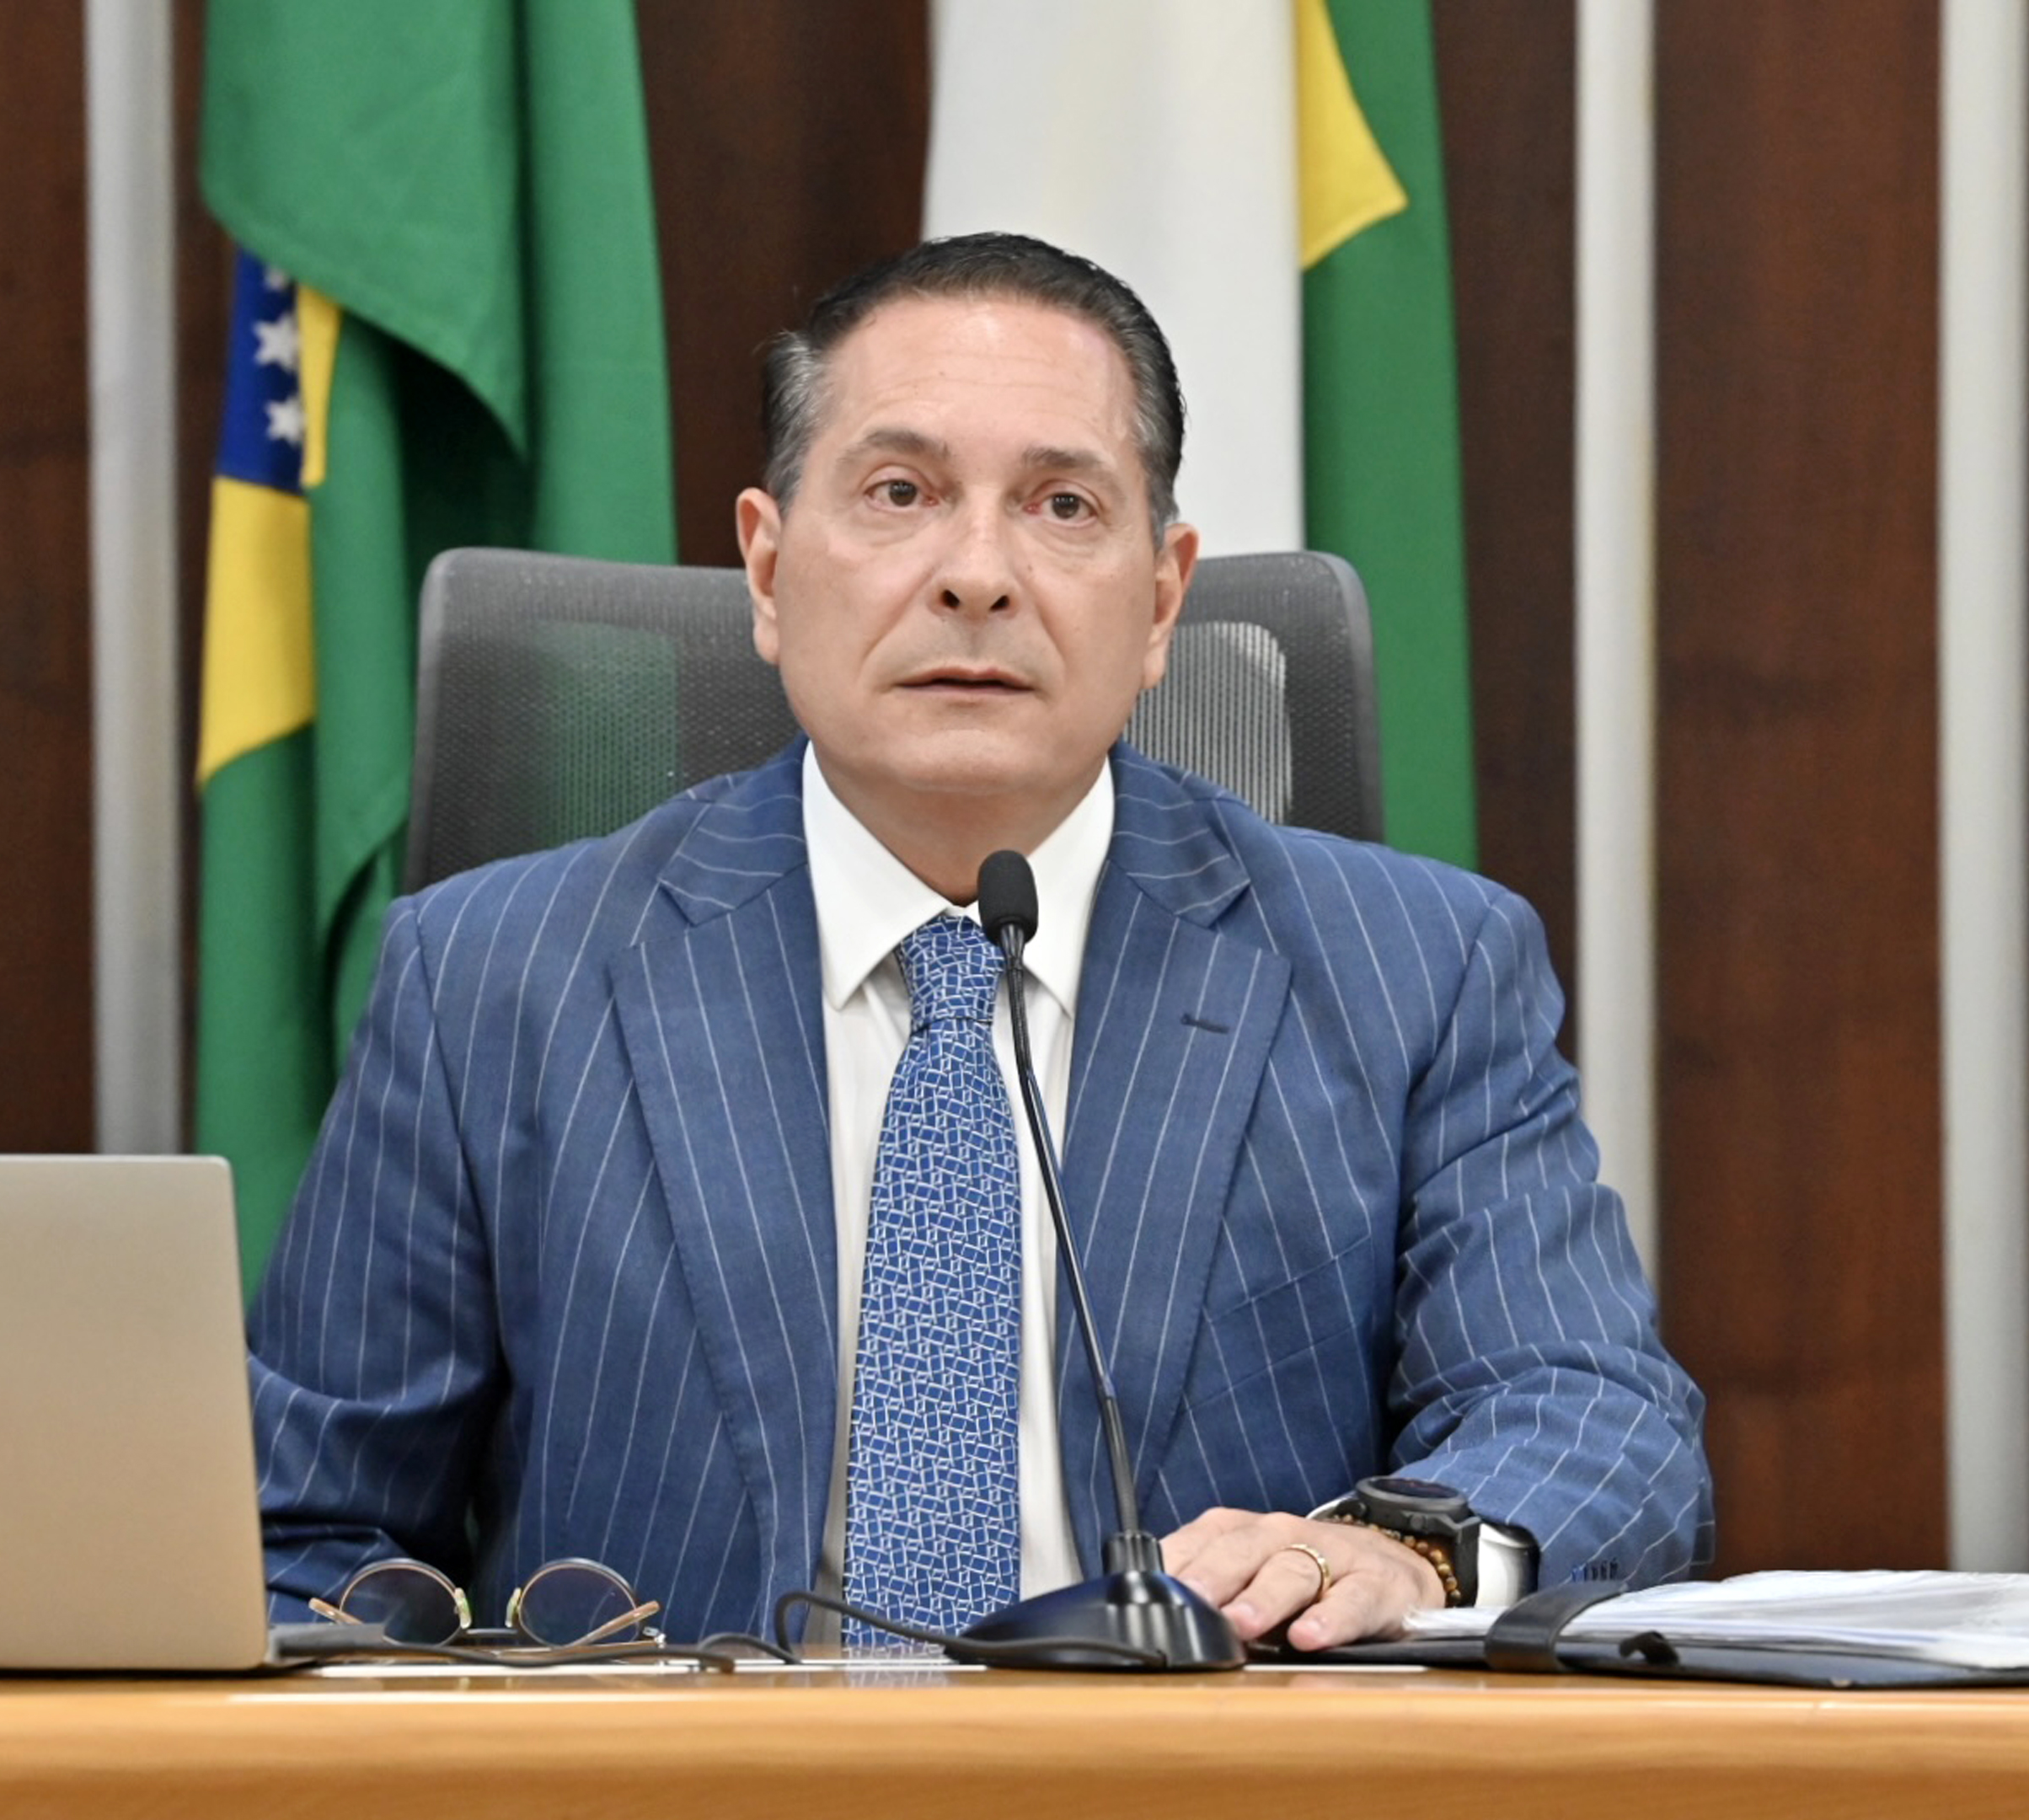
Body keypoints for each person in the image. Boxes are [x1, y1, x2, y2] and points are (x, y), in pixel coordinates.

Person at [247, 233, 1710, 1654]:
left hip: (1196, 1770)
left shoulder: (1415, 970)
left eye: (1063, 506)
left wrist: (1402, 1550)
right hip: (689, 1777)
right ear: (767, 569)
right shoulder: (492, 979)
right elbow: (301, 1528)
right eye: (900, 492)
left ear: (1162, 598)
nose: (977, 574)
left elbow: (1597, 1421)